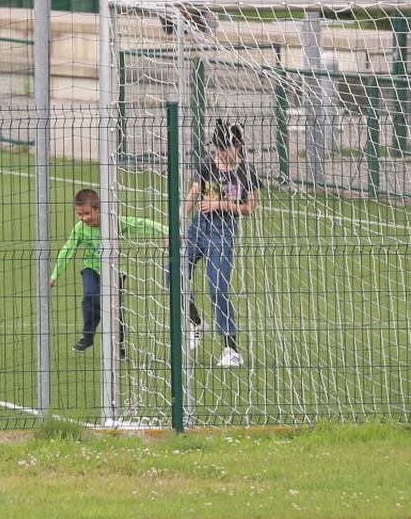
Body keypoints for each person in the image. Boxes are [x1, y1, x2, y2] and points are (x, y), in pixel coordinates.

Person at [49, 188, 167, 354]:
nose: (83, 218)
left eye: (87, 213)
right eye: (79, 214)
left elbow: (142, 223)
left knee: (114, 308)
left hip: (115, 270)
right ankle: (88, 337)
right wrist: (55, 274)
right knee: (91, 296)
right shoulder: (80, 228)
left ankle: (119, 347)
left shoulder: (114, 222)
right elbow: (68, 249)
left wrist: (166, 230)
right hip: (92, 267)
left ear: (98, 209)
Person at [183, 118, 260, 369]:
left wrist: (221, 204)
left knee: (218, 289)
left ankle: (231, 349)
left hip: (223, 232)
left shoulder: (246, 173)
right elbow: (194, 194)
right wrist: (178, 223)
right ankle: (196, 322)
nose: (218, 152)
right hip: (198, 227)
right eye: (216, 147)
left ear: (237, 147)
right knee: (173, 275)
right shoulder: (207, 165)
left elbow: (250, 208)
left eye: (223, 147)